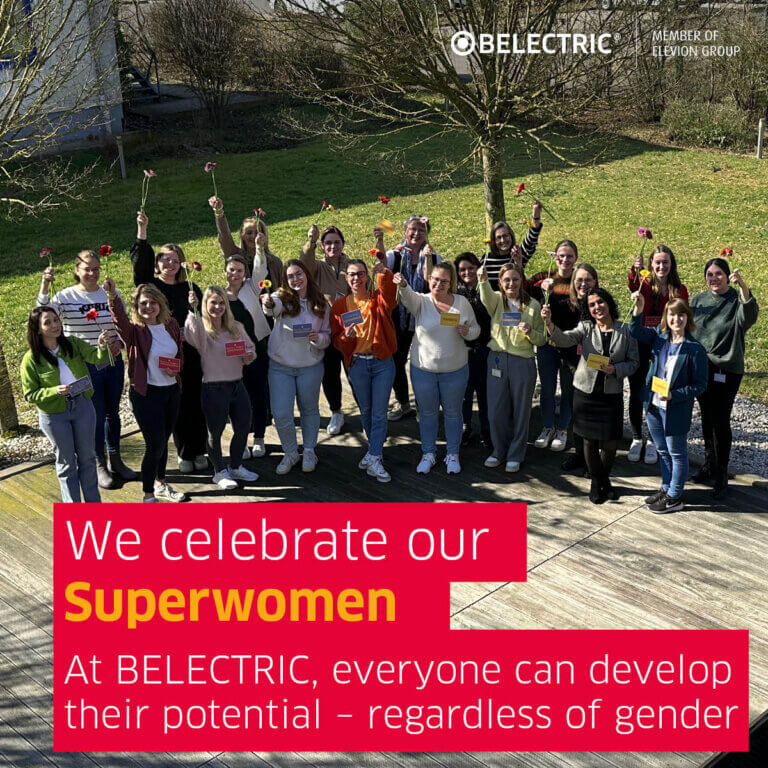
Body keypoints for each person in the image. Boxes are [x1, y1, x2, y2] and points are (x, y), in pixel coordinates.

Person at [38, 250, 137, 489]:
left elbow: (123, 322)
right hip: (86, 365)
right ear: (76, 270)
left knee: (112, 413)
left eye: (96, 268)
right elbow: (41, 314)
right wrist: (44, 284)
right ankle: (99, 463)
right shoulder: (64, 296)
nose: (92, 273)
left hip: (112, 362)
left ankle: (116, 459)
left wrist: (119, 343)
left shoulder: (109, 294)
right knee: (94, 414)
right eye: (87, 269)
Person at [543, 288, 639, 504]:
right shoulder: (585, 328)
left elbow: (634, 363)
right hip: (585, 393)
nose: (597, 307)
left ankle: (602, 480)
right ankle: (599, 483)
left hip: (610, 394)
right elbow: (564, 339)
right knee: (588, 441)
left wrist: (616, 369)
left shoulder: (625, 330)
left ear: (609, 303)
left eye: (600, 302)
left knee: (610, 444)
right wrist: (549, 324)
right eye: (592, 305)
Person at [131, 211, 207, 474]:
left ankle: (200, 448)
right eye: (164, 260)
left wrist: (196, 309)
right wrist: (142, 230)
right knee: (176, 404)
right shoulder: (150, 287)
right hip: (164, 357)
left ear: (182, 264)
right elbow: (139, 266)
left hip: (191, 354)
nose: (170, 264)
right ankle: (185, 452)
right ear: (157, 263)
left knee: (195, 402)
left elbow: (204, 321)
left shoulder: (191, 289)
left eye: (175, 260)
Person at [393, 262, 480, 474]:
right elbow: (407, 296)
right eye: (435, 280)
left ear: (451, 283)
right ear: (429, 279)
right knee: (427, 413)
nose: (439, 284)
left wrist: (467, 331)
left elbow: (476, 330)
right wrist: (403, 284)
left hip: (455, 370)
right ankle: (428, 453)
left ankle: (452, 454)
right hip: (424, 370)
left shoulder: (461, 303)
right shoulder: (421, 302)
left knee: (453, 413)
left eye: (444, 281)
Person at [106, 280, 187, 503]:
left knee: (164, 439)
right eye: (143, 304)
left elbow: (179, 354)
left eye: (153, 302)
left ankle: (161, 483)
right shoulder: (135, 331)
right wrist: (113, 297)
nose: (148, 307)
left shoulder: (170, 325)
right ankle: (148, 494)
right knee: (155, 445)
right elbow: (119, 321)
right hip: (146, 394)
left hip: (171, 392)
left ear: (160, 304)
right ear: (137, 307)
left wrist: (176, 368)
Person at [21, 307, 112, 502]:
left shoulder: (72, 343)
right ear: (37, 330)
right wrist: (55, 391)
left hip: (82, 407)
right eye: (48, 322)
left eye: (56, 320)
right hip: (55, 414)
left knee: (88, 458)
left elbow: (97, 358)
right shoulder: (31, 359)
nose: (55, 325)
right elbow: (30, 394)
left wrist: (102, 347)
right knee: (66, 463)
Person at [629, 294, 708, 513]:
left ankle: (675, 496)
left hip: (675, 409)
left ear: (687, 318)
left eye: (681, 315)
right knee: (662, 450)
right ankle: (666, 486)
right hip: (654, 405)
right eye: (672, 315)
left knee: (677, 452)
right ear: (666, 317)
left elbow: (700, 385)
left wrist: (676, 395)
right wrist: (639, 309)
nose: (676, 319)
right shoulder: (659, 337)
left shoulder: (695, 349)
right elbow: (634, 331)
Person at [690, 259, 758, 498]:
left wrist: (744, 288)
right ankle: (708, 464)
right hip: (702, 368)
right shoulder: (698, 301)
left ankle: (721, 472)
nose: (714, 278)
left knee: (720, 419)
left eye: (719, 274)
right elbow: (687, 328)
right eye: (709, 274)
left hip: (727, 369)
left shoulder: (735, 302)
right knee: (706, 417)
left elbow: (747, 318)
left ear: (728, 276)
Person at [330, 259, 398, 482]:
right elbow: (336, 339)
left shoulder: (376, 299)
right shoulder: (340, 306)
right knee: (366, 411)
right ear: (346, 277)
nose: (356, 278)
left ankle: (375, 456)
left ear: (367, 276)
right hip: (357, 364)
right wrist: (344, 336)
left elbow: (389, 294)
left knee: (379, 412)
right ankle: (372, 452)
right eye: (352, 274)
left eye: (360, 274)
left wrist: (383, 273)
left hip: (381, 363)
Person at [261, 260, 331, 474]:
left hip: (310, 366)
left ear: (307, 274)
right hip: (281, 366)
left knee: (309, 409)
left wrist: (317, 338)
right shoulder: (282, 299)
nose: (296, 279)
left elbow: (327, 336)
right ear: (285, 280)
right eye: (291, 276)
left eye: (299, 273)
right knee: (281, 413)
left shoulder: (321, 303)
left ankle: (309, 450)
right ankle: (290, 452)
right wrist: (267, 302)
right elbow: (271, 307)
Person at [186, 287, 258, 490]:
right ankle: (219, 471)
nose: (217, 307)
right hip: (214, 387)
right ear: (205, 305)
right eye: (213, 303)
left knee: (244, 426)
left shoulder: (236, 327)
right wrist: (192, 310)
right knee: (215, 432)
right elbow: (192, 335)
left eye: (221, 303)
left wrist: (249, 355)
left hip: (237, 384)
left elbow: (250, 349)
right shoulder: (203, 330)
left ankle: (235, 465)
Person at [478, 262, 545, 472]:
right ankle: (499, 451)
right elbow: (485, 295)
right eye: (506, 279)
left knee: (521, 410)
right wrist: (482, 279)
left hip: (522, 362)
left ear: (521, 280)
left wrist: (530, 332)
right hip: (497, 359)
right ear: (500, 282)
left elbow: (542, 339)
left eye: (515, 279)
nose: (511, 283)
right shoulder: (497, 300)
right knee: (496, 410)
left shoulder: (533, 305)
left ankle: (516, 454)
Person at [626, 244, 689, 465]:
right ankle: (636, 437)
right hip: (640, 343)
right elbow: (632, 286)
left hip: (664, 348)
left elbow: (683, 318)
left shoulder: (679, 289)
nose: (661, 266)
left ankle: (653, 438)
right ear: (651, 264)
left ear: (671, 265)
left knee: (658, 390)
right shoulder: (644, 283)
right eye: (657, 262)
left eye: (665, 262)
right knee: (636, 390)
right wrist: (636, 270)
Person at [377, 215, 441, 421]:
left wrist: (429, 259)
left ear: (427, 233)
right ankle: (403, 403)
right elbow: (381, 264)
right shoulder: (396, 254)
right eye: (412, 229)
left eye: (421, 230)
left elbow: (436, 282)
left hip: (424, 316)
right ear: (405, 232)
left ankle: (425, 406)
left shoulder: (434, 256)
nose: (416, 234)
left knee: (425, 362)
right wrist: (380, 240)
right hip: (399, 317)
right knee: (396, 360)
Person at [528, 239, 577, 453]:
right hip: (547, 343)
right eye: (561, 255)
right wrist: (518, 263)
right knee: (547, 387)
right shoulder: (543, 276)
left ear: (576, 258)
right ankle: (547, 427)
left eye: (569, 256)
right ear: (555, 256)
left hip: (570, 343)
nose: (565, 259)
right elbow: (523, 290)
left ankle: (563, 429)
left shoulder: (579, 278)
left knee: (568, 389)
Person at [301, 224, 349, 436]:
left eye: (336, 242)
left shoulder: (352, 265)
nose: (332, 246)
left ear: (343, 244)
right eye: (327, 243)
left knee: (356, 373)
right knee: (330, 373)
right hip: (327, 330)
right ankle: (336, 411)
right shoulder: (317, 267)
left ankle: (368, 411)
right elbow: (304, 263)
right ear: (322, 247)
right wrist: (310, 241)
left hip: (350, 330)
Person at [223, 253, 272, 459]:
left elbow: (261, 268)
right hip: (233, 356)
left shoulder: (251, 288)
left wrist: (260, 247)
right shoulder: (219, 296)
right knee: (236, 399)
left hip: (257, 352)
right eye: (231, 269)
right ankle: (240, 438)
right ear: (225, 271)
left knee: (259, 394)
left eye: (240, 271)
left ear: (246, 274)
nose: (235, 274)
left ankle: (259, 437)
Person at [558, 263, 600, 474]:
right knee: (575, 409)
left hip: (594, 366)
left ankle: (592, 456)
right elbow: (562, 336)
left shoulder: (600, 304)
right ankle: (578, 452)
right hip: (572, 365)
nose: (583, 284)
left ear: (595, 281)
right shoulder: (567, 305)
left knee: (592, 411)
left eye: (588, 280)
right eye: (579, 280)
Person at [454, 252, 492, 449]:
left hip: (485, 348)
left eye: (470, 268)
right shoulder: (455, 293)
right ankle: (465, 426)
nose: (467, 272)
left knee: (485, 392)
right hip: (462, 350)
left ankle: (487, 428)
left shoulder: (486, 288)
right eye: (462, 269)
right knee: (464, 392)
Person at [209, 196, 284, 285]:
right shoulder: (235, 256)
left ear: (264, 236)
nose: (253, 236)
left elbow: (282, 289)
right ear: (242, 235)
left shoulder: (275, 262)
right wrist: (219, 213)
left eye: (257, 232)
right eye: (249, 233)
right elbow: (225, 236)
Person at [481, 201, 543, 290]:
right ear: (494, 240)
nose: (503, 240)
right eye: (499, 237)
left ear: (511, 236)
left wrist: (536, 214)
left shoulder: (518, 255)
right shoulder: (486, 258)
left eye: (506, 236)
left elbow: (532, 237)